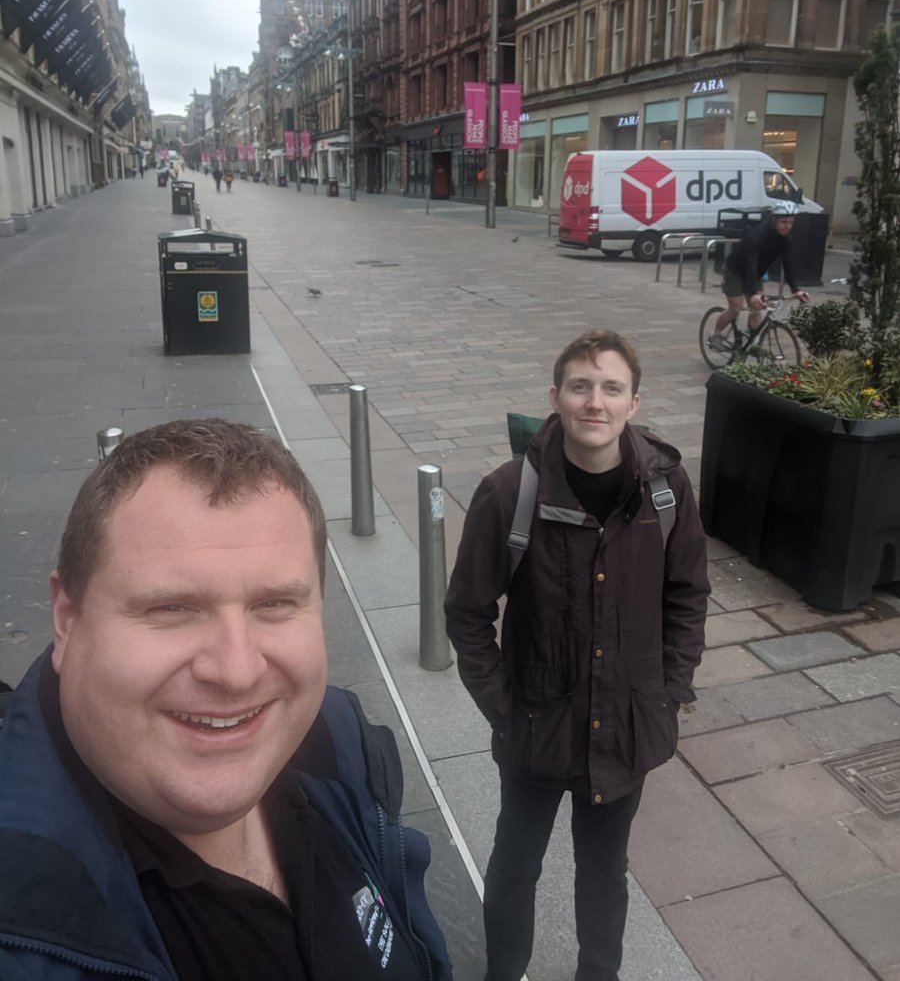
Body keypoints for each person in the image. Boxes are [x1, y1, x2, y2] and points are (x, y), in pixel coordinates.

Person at [0, 419, 450, 981]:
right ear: (68, 620)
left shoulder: (340, 745)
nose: (237, 672)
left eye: (275, 604)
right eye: (172, 608)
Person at [445, 329, 709, 981]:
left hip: (625, 727)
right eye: (581, 386)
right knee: (516, 864)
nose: (596, 401)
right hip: (535, 724)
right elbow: (467, 613)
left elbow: (687, 594)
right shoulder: (510, 493)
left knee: (604, 870)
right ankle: (505, 972)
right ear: (555, 397)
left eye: (612, 388)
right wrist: (504, 707)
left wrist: (669, 693)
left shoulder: (666, 490)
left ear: (633, 402)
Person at [708, 201, 809, 350]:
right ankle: (715, 335)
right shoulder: (757, 235)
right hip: (736, 271)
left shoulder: (785, 238)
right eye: (783, 222)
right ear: (774, 220)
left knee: (757, 308)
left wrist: (796, 290)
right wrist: (753, 293)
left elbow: (787, 264)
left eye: (791, 222)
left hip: (756, 273)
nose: (787, 226)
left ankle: (753, 343)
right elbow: (751, 263)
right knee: (736, 308)